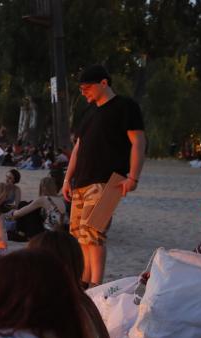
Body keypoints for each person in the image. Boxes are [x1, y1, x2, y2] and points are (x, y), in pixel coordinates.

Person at [62, 65, 146, 287]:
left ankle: (96, 285)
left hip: (109, 181)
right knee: (80, 236)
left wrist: (133, 177)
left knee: (94, 234)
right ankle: (85, 282)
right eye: (81, 88)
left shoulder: (125, 106)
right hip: (81, 181)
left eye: (87, 87)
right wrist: (66, 180)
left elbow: (138, 141)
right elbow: (78, 149)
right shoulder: (89, 113)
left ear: (103, 83)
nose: (83, 92)